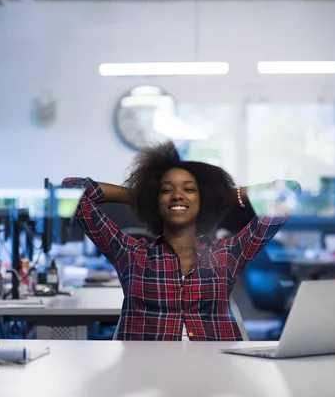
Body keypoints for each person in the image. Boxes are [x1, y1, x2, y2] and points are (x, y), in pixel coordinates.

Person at [61, 141, 301, 341]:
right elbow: (72, 189)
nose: (177, 195)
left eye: (189, 189)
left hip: (217, 372)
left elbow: (289, 190)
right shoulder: (131, 254)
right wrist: (142, 195)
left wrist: (221, 194)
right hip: (143, 374)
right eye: (167, 190)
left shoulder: (228, 253)